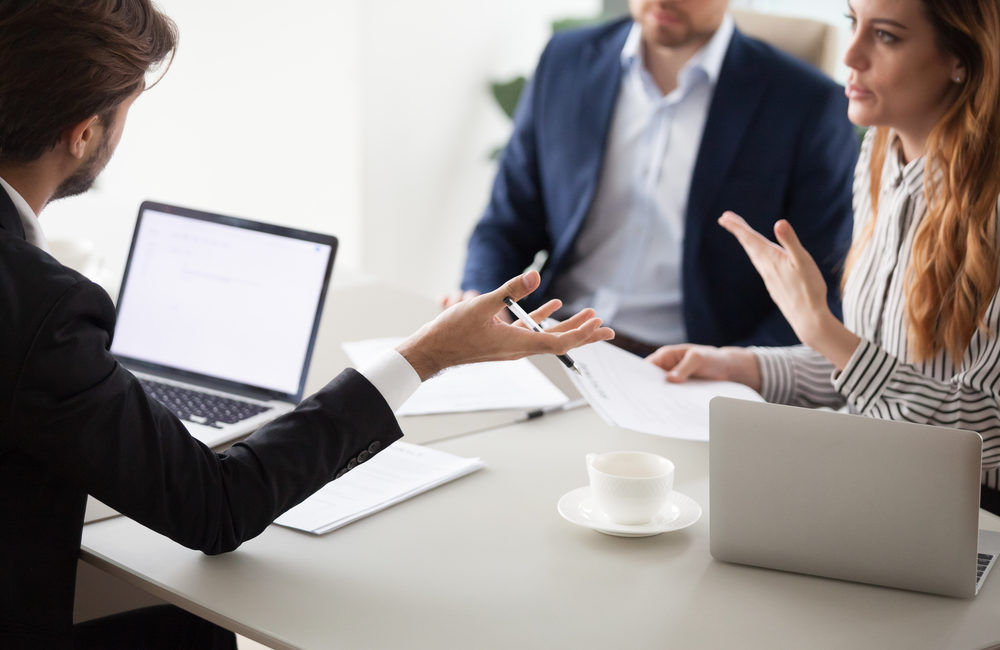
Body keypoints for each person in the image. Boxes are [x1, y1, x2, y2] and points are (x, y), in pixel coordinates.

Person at [0, 2, 614, 648]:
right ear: (83, 135)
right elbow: (217, 508)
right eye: (127, 109)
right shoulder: (44, 307)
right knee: (198, 629)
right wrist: (427, 355)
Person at [649, 0, 1000, 513]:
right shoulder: (879, 154)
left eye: (886, 36)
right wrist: (737, 365)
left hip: (965, 511)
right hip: (871, 479)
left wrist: (822, 330)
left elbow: (983, 430)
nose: (851, 57)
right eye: (852, 23)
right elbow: (865, 372)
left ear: (960, 58)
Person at [444, 0, 858, 356]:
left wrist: (739, 372)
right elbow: (505, 224)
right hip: (550, 336)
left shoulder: (807, 106)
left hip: (687, 363)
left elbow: (823, 289)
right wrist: (487, 299)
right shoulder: (566, 60)